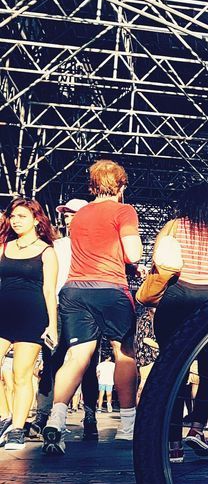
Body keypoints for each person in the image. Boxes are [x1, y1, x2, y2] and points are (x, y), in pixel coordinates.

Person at [45, 161, 142, 454]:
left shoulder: (81, 214)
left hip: (75, 291)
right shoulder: (124, 211)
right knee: (123, 354)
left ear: (92, 186)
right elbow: (133, 253)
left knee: (75, 357)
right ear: (122, 185)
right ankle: (127, 429)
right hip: (111, 290)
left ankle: (56, 420)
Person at [151, 183, 208, 463]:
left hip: (176, 299)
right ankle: (198, 428)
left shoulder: (173, 226)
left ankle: (173, 445)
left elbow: (159, 264)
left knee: (174, 372)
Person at [31, 198, 99, 442]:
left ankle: (90, 417)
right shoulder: (57, 245)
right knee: (51, 361)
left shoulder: (96, 245)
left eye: (73, 214)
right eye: (66, 214)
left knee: (87, 364)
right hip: (58, 307)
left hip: (86, 308)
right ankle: (42, 416)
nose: (68, 218)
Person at [0, 198, 59, 452]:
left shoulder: (47, 251)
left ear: (36, 219)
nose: (15, 220)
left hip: (32, 316)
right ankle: (6, 417)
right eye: (13, 216)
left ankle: (17, 430)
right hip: (3, 314)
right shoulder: (3, 247)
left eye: (22, 216)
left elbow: (49, 291)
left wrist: (53, 327)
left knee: (21, 374)